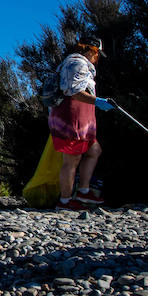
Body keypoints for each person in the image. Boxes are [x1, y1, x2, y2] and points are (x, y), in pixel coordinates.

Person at [48, 35, 111, 211]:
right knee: (72, 159)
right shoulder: (76, 63)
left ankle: (83, 190)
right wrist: (98, 101)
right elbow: (74, 92)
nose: (97, 58)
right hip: (71, 118)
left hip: (83, 118)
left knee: (94, 149)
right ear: (90, 50)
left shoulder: (79, 65)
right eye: (97, 54)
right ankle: (65, 201)